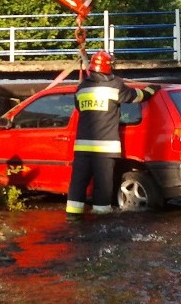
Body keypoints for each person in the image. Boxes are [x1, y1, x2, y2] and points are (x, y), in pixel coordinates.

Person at [66, 50, 156, 220]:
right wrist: (151, 90)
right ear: (109, 67)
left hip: (82, 147)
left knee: (78, 183)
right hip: (105, 148)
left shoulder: (82, 87)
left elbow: (79, 108)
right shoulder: (116, 85)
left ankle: (72, 218)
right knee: (103, 185)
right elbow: (137, 97)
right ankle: (101, 220)